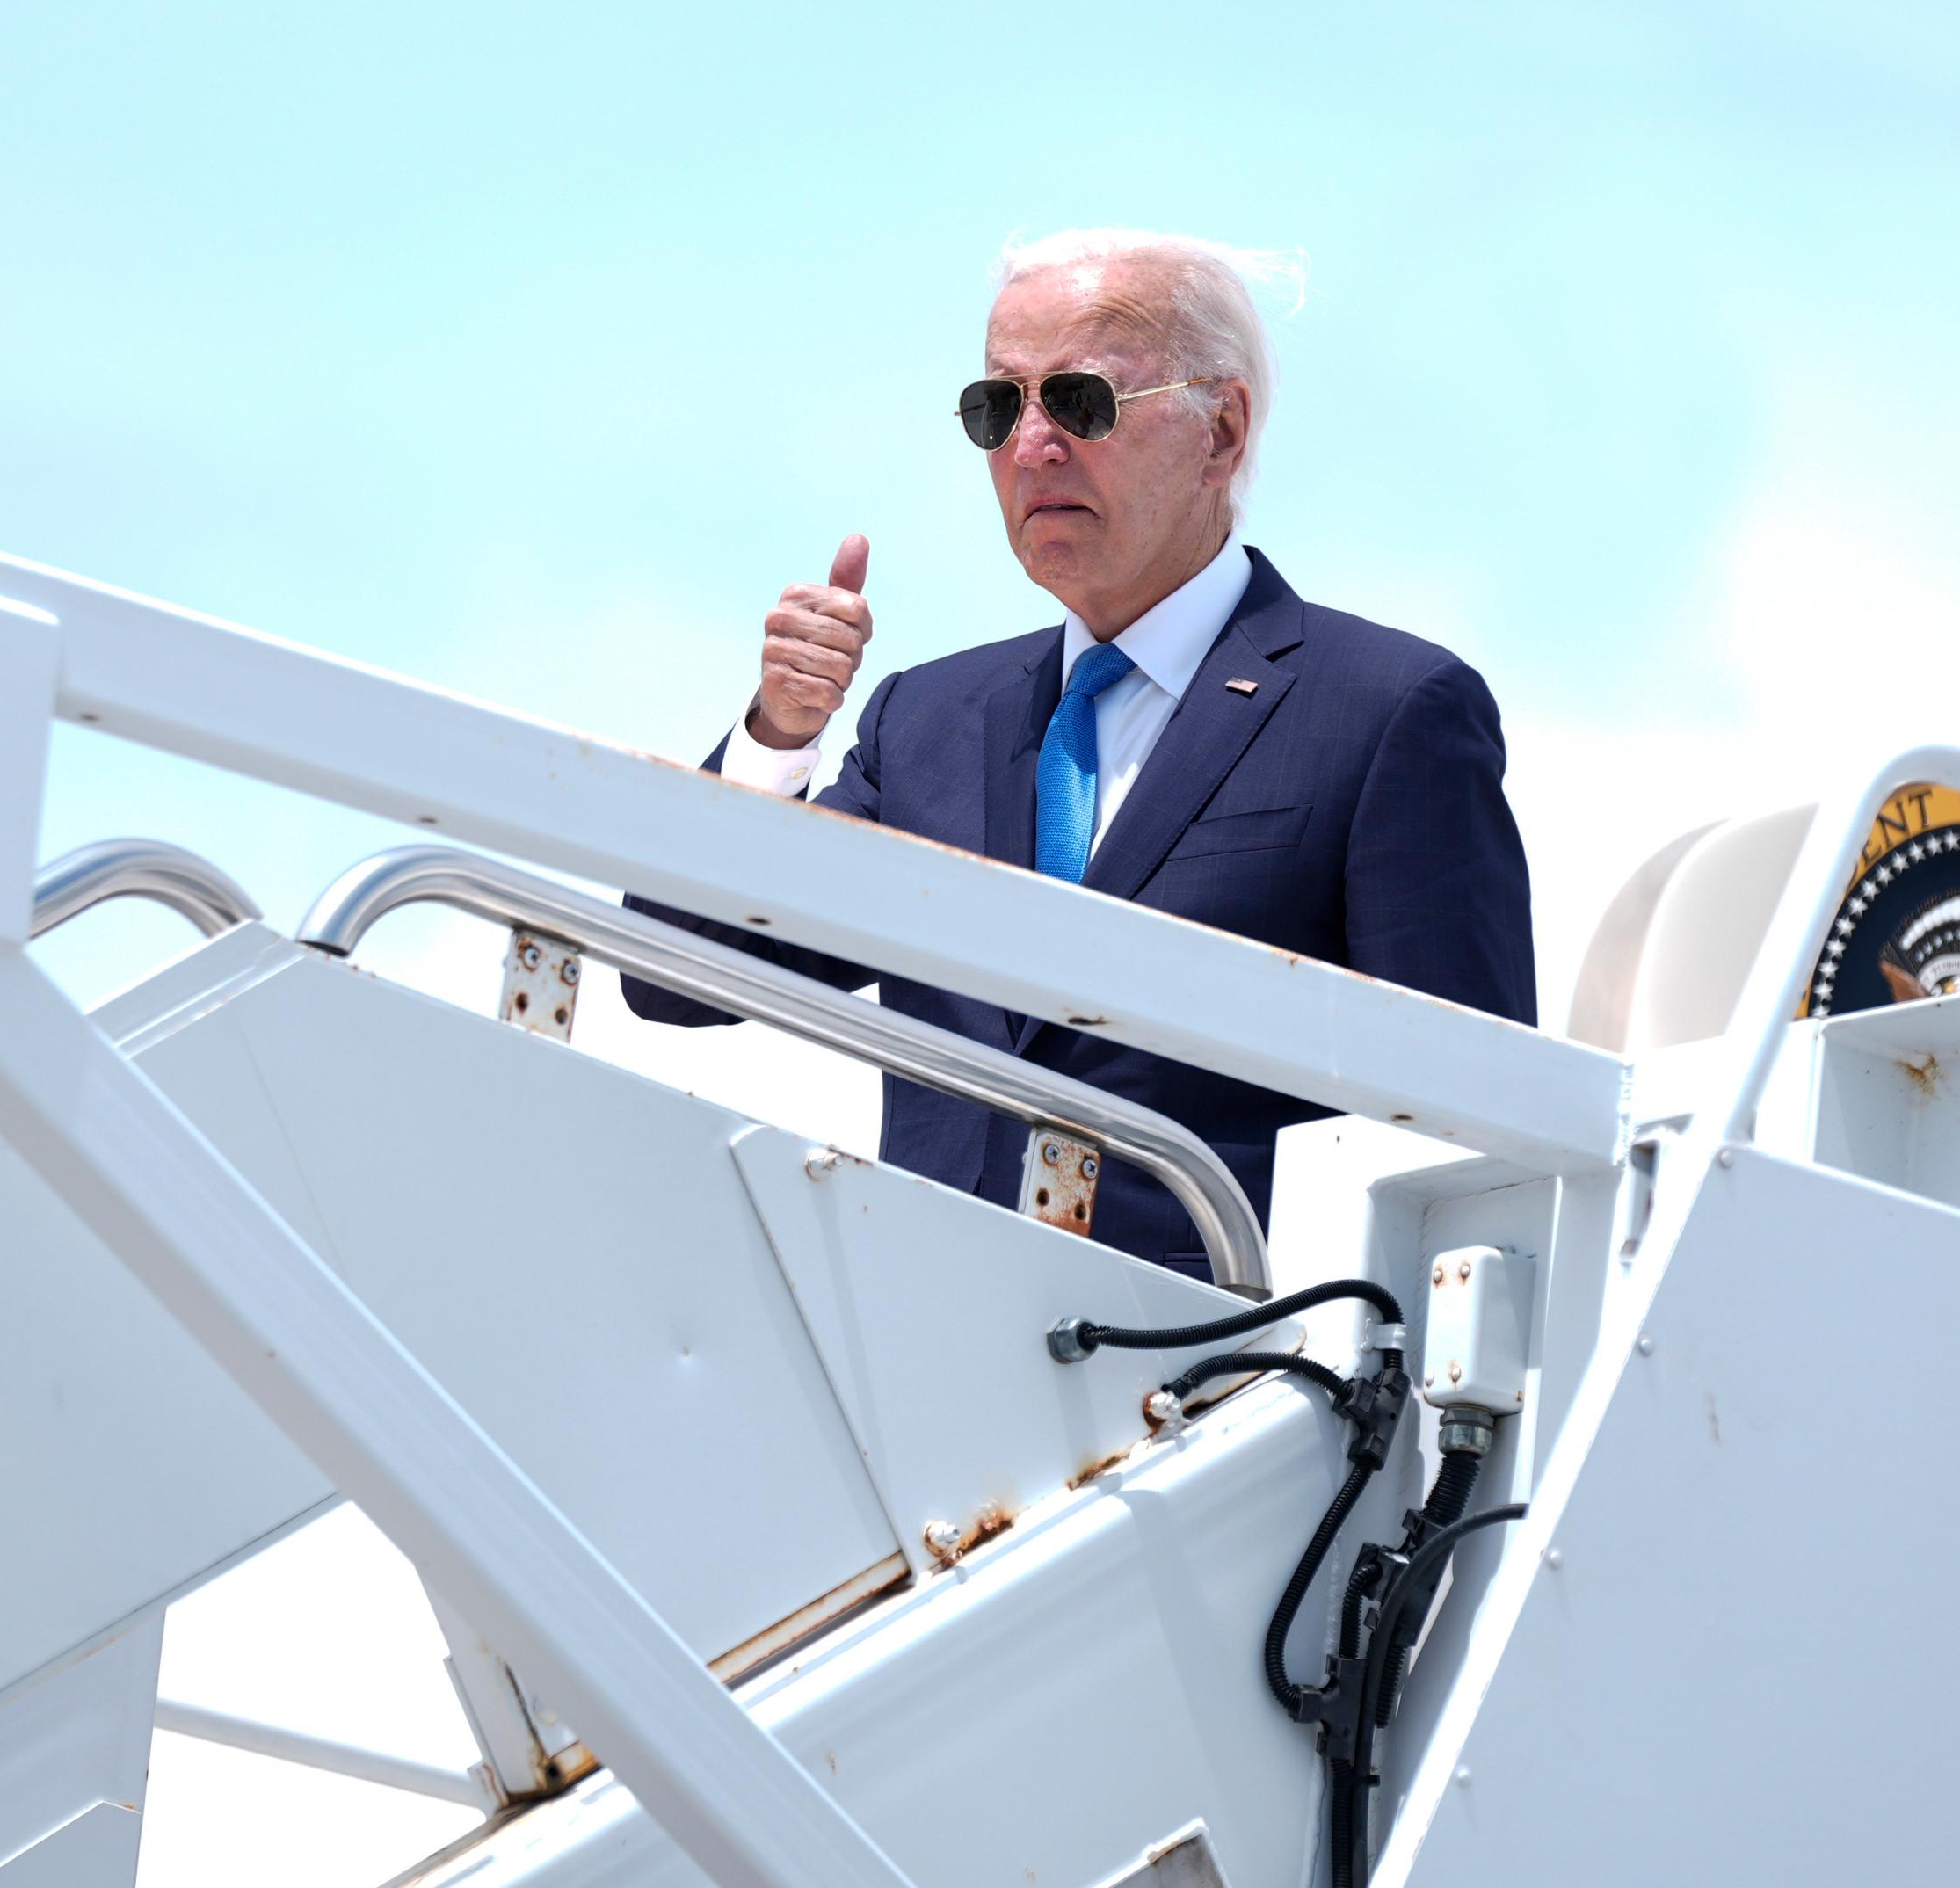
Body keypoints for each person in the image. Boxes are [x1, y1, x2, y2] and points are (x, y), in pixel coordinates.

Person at [625, 229, 1535, 1274]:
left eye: (1083, 403)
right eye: (999, 407)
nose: (1032, 447)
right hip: (917, 1353)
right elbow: (676, 979)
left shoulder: (1386, 711)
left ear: (1221, 432)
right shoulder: (928, 720)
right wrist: (777, 733)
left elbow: (1481, 1136)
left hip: (1230, 1382)